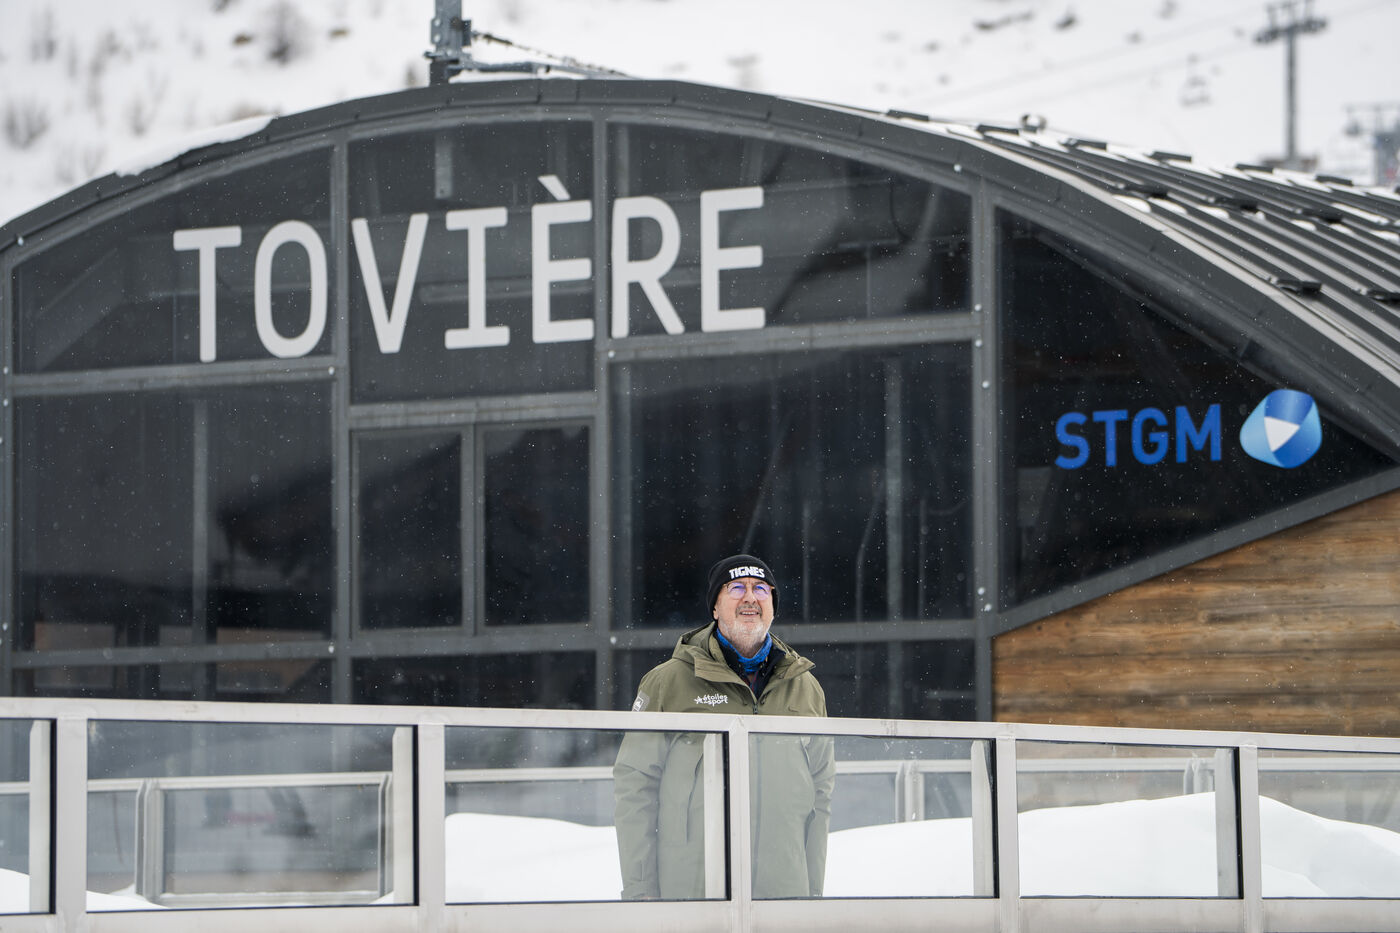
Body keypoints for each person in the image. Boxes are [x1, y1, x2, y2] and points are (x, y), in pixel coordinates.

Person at [613, 554, 835, 900]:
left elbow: (820, 798)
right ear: (715, 607)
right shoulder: (668, 682)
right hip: (693, 897)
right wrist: (641, 893)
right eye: (736, 588)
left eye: (761, 589)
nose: (750, 598)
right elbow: (635, 789)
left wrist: (812, 894)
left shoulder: (805, 687)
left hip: (782, 897)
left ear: (772, 607)